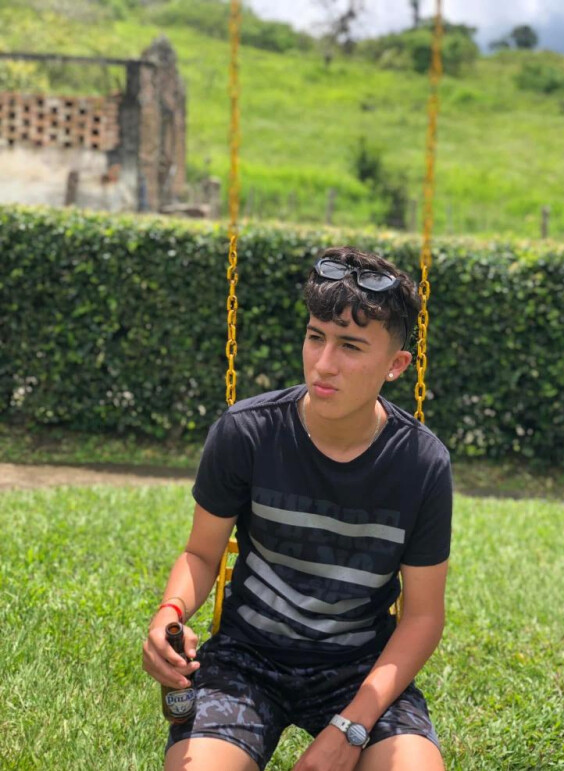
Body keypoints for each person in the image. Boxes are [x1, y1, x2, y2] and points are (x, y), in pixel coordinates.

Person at [143, 245, 453, 771]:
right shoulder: (246, 433)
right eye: (316, 337)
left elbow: (423, 616)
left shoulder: (421, 463)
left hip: (361, 668)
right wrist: (168, 614)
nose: (324, 364)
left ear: (396, 365)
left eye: (350, 346)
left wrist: (352, 726)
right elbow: (200, 555)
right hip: (246, 659)